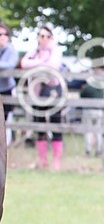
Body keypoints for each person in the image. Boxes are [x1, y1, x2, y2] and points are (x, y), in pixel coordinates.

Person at [19, 25, 65, 169]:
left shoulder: (55, 51)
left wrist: (37, 64)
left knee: (55, 123)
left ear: (51, 38)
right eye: (41, 35)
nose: (43, 39)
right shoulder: (34, 52)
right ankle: (42, 159)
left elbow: (53, 66)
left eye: (46, 36)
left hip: (53, 90)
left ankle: (56, 161)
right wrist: (40, 63)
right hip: (37, 92)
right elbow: (24, 63)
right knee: (39, 123)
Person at [0, 24, 18, 144]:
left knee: (6, 120)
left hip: (7, 89)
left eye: (4, 34)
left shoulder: (11, 50)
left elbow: (10, 64)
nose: (2, 37)